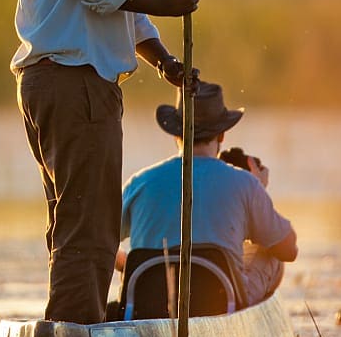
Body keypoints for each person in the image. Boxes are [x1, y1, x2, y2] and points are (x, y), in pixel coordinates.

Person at [11, 0, 200, 325]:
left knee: (73, 217)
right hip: (75, 84)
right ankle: (76, 336)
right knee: (91, 225)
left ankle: (70, 330)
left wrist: (164, 61)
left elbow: (119, 7)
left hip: (57, 82)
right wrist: (166, 3)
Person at [120, 81, 298, 306]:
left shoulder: (139, 182)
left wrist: (128, 265)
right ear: (222, 135)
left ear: (176, 134)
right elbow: (288, 250)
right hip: (219, 304)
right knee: (270, 253)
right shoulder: (245, 184)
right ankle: (246, 320)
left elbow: (99, 243)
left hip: (147, 305)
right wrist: (258, 190)